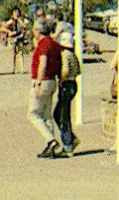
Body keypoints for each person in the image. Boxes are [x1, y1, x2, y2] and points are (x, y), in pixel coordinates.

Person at [28, 18, 62, 157]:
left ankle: (51, 141)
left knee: (33, 114)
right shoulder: (54, 44)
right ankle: (51, 149)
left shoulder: (44, 44)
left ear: (39, 30)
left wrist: (38, 84)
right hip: (52, 81)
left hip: (43, 80)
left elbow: (43, 63)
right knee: (47, 115)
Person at [54, 28, 82, 157]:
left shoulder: (65, 54)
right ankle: (70, 138)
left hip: (67, 84)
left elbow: (65, 70)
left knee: (63, 116)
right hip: (73, 83)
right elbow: (78, 70)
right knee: (59, 113)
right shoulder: (73, 54)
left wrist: (61, 79)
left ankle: (68, 145)